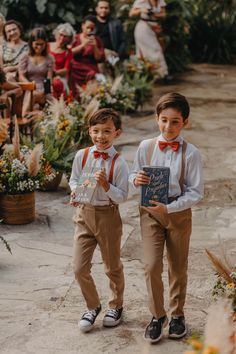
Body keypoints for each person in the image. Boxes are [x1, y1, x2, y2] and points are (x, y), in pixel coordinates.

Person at [129, 92, 203, 343]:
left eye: (174, 121)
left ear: (185, 122)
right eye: (163, 120)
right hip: (150, 212)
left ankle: (177, 315)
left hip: (178, 213)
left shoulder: (191, 153)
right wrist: (135, 179)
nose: (168, 127)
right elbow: (134, 174)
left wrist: (170, 209)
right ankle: (157, 315)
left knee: (177, 266)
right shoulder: (145, 147)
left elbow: (195, 192)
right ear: (156, 119)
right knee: (150, 265)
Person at [69, 108, 129, 333]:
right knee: (78, 267)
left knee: (112, 266)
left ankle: (116, 305)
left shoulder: (119, 163)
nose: (101, 136)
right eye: (96, 131)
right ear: (89, 132)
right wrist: (75, 192)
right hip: (84, 215)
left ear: (117, 133)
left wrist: (106, 186)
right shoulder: (81, 155)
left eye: (107, 131)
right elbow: (74, 180)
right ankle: (92, 305)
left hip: (107, 216)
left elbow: (122, 196)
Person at [18, 27, 54, 117]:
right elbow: (21, 76)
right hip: (29, 87)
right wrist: (31, 86)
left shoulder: (49, 59)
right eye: (37, 44)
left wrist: (44, 91)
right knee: (30, 98)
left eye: (42, 44)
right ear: (31, 43)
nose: (39, 47)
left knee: (55, 107)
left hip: (44, 88)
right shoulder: (25, 57)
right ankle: (31, 114)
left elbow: (49, 78)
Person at [129, 0, 168, 78]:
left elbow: (164, 14)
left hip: (154, 27)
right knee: (154, 49)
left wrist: (155, 14)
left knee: (156, 49)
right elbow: (131, 14)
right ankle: (161, 73)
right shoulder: (142, 1)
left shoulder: (160, 1)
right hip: (143, 27)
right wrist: (141, 10)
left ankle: (149, 74)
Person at [70, 15, 105, 98]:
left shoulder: (97, 40)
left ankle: (90, 98)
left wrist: (95, 46)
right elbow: (69, 53)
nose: (89, 30)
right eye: (87, 27)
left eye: (92, 29)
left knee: (93, 75)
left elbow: (99, 58)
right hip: (76, 67)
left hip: (91, 67)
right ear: (82, 26)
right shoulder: (75, 38)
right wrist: (83, 45)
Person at [48, 23, 75, 99]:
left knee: (57, 84)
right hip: (43, 73)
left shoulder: (68, 52)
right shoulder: (47, 46)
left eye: (65, 36)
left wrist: (54, 72)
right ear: (56, 34)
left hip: (58, 76)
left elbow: (66, 70)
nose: (62, 38)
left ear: (69, 39)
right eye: (60, 35)